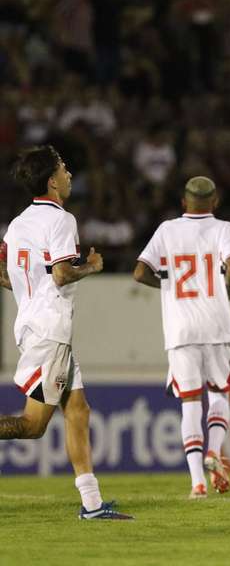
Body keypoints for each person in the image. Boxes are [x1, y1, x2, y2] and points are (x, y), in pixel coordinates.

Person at [0, 146, 132, 519]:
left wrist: (30, 291)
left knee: (78, 409)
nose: (69, 174)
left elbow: (3, 272)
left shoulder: (19, 223)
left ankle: (91, 504)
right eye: (63, 169)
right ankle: (91, 505)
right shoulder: (61, 220)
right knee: (32, 426)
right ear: (51, 181)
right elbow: (60, 274)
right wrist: (91, 266)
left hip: (36, 324)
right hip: (50, 330)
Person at [132, 176, 230, 499]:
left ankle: (197, 483)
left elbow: (139, 272)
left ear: (184, 202)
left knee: (190, 403)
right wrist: (225, 292)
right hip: (216, 324)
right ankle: (215, 452)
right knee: (220, 392)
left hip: (180, 329)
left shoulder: (167, 230)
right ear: (215, 202)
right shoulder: (225, 228)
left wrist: (167, 288)